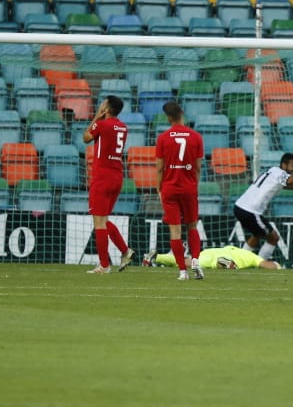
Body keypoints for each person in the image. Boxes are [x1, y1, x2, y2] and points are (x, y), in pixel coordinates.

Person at [232, 151, 293, 260]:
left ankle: (240, 261)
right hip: (250, 211)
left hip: (240, 207)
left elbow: (282, 185)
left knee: (258, 234)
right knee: (273, 238)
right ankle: (260, 263)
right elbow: (292, 180)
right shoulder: (280, 173)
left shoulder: (273, 171)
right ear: (284, 165)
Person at [81, 94, 134, 274]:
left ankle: (104, 265)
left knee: (99, 222)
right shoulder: (123, 127)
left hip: (102, 177)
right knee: (103, 219)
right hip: (117, 176)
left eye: (103, 104)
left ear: (108, 109)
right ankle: (125, 251)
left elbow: (86, 137)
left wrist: (97, 116)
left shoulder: (102, 125)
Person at [155, 100, 204, 282]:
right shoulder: (196, 137)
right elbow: (198, 167)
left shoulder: (163, 138)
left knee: (175, 232)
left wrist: (158, 187)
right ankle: (196, 261)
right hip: (189, 187)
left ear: (168, 117)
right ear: (182, 113)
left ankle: (183, 272)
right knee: (192, 225)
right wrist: (194, 185)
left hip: (170, 188)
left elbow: (160, 167)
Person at [145, 244, 281, 271]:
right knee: (217, 263)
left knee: (186, 261)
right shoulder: (251, 256)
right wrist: (277, 266)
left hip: (209, 252)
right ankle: (223, 263)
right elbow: (264, 264)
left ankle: (156, 256)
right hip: (224, 257)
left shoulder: (230, 248)